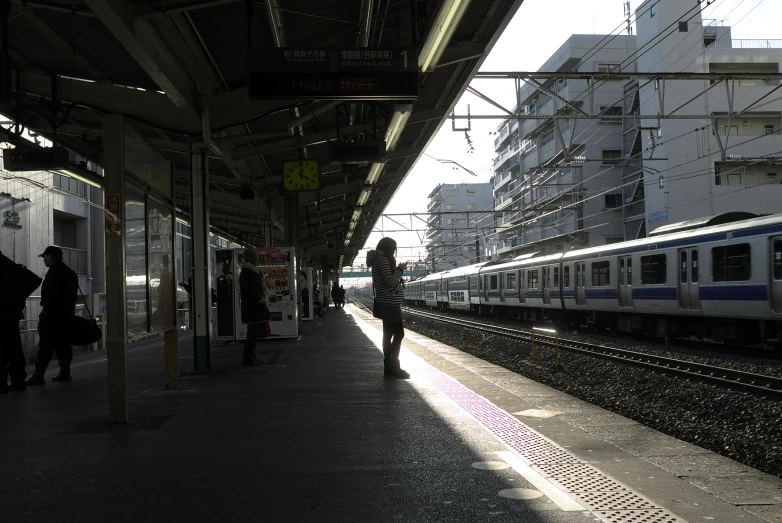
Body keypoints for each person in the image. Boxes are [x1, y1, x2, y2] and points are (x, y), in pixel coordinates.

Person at [26, 246, 78, 385]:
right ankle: (65, 372)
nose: (44, 260)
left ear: (50, 256)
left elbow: (49, 297)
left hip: (52, 316)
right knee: (63, 345)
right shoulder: (70, 273)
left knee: (45, 346)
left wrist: (46, 310)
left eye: (45, 257)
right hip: (66, 316)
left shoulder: (53, 273)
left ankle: (38, 375)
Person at [367, 237, 409, 379]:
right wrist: (400, 270)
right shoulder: (382, 260)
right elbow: (389, 282)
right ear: (389, 249)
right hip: (389, 304)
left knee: (389, 335)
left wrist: (398, 274)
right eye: (393, 249)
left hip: (389, 303)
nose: (394, 252)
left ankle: (390, 367)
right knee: (397, 334)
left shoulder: (379, 260)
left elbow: (389, 280)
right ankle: (393, 367)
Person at [1, 251, 42, 392]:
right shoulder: (12, 266)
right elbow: (35, 280)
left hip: (3, 315)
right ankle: (18, 380)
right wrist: (19, 298)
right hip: (12, 315)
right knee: (14, 349)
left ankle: (2, 383)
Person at [239, 248, 269, 366]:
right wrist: (259, 298)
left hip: (253, 309)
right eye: (255, 257)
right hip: (253, 309)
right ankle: (248, 358)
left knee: (253, 334)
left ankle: (251, 356)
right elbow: (251, 290)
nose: (257, 259)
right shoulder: (248, 272)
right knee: (252, 335)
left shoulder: (250, 271)